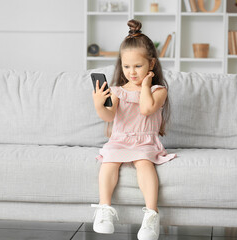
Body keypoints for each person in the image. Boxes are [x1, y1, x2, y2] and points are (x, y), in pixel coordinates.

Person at [91, 19, 176, 240]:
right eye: (127, 67)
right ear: (121, 65)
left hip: (144, 141)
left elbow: (147, 109)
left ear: (151, 64)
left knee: (144, 163)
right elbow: (109, 116)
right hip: (119, 139)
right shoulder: (118, 90)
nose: (133, 72)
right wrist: (99, 103)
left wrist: (145, 86)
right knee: (109, 162)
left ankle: (151, 214)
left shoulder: (158, 90)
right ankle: (104, 209)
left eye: (138, 66)